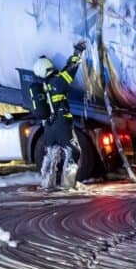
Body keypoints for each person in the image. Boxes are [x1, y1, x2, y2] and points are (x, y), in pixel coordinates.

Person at [33, 40, 87, 189]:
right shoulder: (58, 82)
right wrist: (77, 53)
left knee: (50, 155)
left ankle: (46, 184)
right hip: (62, 124)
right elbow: (70, 71)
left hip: (49, 127)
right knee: (73, 152)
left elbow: (64, 71)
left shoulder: (43, 86)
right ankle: (69, 185)